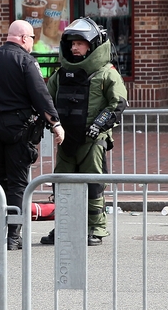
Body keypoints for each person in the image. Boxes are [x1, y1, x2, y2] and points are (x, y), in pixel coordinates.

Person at [0, 20, 65, 250]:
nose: (33, 42)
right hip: (18, 129)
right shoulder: (27, 61)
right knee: (18, 182)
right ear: (24, 38)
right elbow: (41, 95)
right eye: (32, 38)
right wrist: (56, 123)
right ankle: (13, 235)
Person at [40, 17, 128, 246]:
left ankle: (96, 229)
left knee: (94, 185)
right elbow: (46, 99)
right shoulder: (61, 75)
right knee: (62, 184)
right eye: (71, 43)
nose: (73, 47)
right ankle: (65, 227)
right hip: (66, 140)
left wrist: (98, 125)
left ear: (92, 45)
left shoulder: (107, 73)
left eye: (79, 43)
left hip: (92, 141)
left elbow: (118, 102)